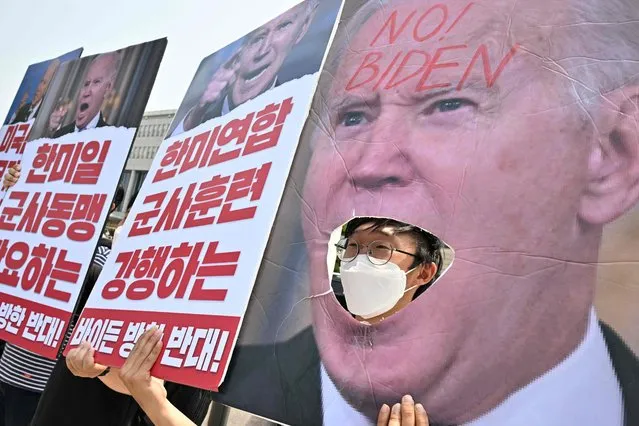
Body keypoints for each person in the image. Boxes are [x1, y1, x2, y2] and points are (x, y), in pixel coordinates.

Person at [210, 0, 639, 425]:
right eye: (353, 116)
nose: (372, 162)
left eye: (449, 105)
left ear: (613, 154)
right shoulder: (216, 389)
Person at [0, 190, 123, 426]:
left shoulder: (104, 257)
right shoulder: (32, 239)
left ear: (110, 206)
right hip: (8, 366)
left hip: (41, 384)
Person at [171, 0, 318, 136]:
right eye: (257, 38)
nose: (263, 51)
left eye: (283, 27)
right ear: (237, 50)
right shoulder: (197, 119)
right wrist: (197, 114)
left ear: (303, 28)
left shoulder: (299, 120)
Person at [52, 52, 121, 138]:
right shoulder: (60, 135)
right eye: (86, 84)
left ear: (108, 87)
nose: (86, 92)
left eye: (96, 82)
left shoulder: (110, 137)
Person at [10, 59, 60, 124]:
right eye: (41, 81)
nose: (38, 88)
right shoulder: (23, 109)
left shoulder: (48, 114)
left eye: (44, 83)